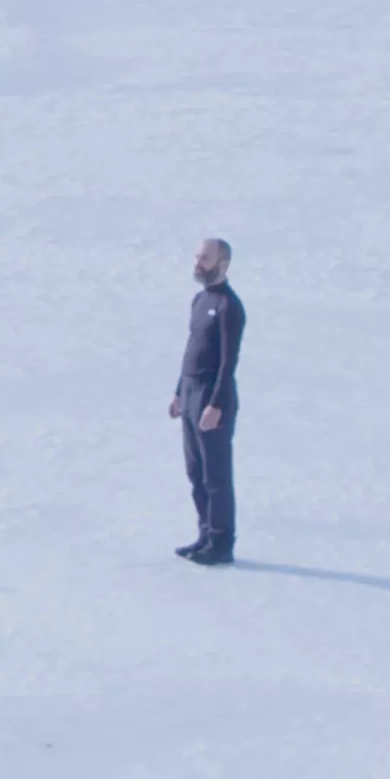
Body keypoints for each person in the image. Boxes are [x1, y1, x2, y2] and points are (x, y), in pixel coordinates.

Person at [168, 237, 244, 564]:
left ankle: (221, 542)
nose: (198, 264)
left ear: (222, 263)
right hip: (190, 391)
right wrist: (178, 391)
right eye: (197, 257)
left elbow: (228, 362)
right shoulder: (200, 300)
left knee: (215, 474)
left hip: (212, 396)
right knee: (195, 471)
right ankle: (204, 535)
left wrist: (216, 404)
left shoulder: (229, 306)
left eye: (205, 259)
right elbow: (192, 348)